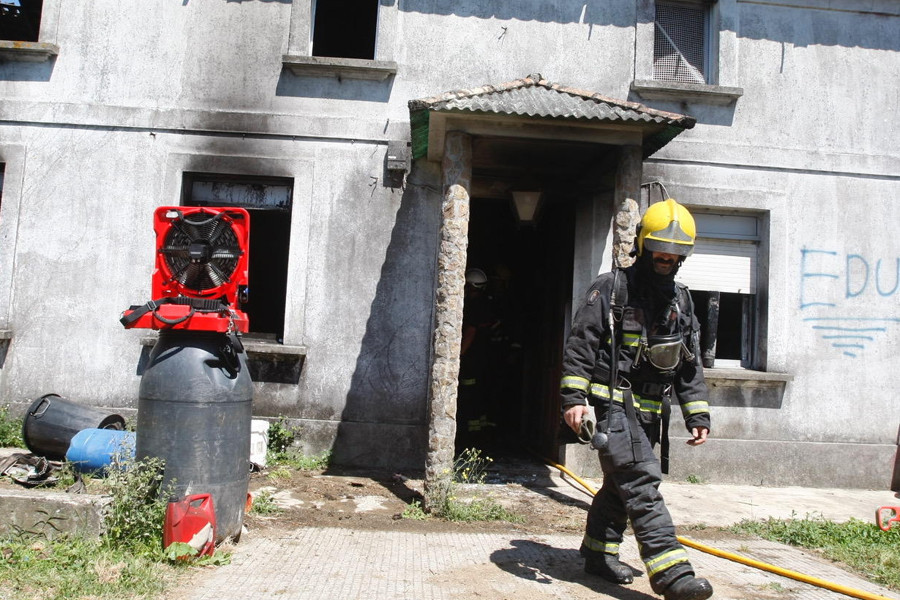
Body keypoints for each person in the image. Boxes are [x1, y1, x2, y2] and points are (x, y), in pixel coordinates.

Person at [560, 199, 713, 600]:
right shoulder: (611, 289)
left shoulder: (681, 300)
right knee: (642, 484)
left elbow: (688, 363)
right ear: (643, 245)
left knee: (619, 486)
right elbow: (580, 346)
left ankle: (598, 554)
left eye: (676, 252)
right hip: (611, 409)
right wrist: (573, 399)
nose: (667, 257)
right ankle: (673, 575)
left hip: (648, 414)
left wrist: (697, 412)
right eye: (661, 249)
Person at [456, 267, 498, 450]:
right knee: (481, 395)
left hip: (473, 359)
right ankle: (480, 437)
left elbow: (471, 332)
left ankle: (470, 438)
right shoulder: (488, 304)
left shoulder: (475, 305)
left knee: (470, 395)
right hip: (486, 358)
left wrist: (459, 355)